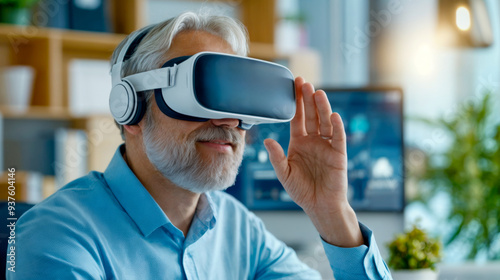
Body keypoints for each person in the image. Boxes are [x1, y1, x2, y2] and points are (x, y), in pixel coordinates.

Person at [8, 12, 392, 279]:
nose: (228, 121)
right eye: (203, 94)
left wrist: (331, 212)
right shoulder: (58, 239)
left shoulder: (239, 230)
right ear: (132, 108)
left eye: (235, 101)